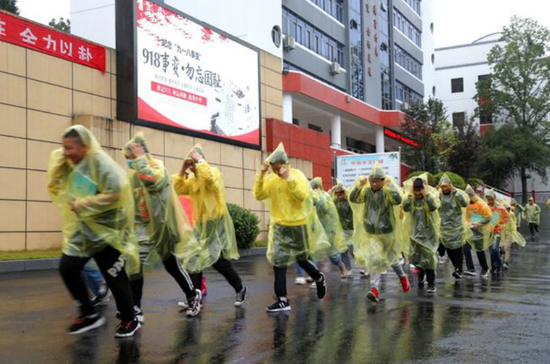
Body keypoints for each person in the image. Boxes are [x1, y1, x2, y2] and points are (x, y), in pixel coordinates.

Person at [47, 125, 140, 338]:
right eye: (64, 147)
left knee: (115, 275)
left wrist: (85, 203)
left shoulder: (100, 163)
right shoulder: (72, 162)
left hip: (108, 230)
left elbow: (117, 193)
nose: (66, 152)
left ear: (83, 146)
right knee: (67, 267)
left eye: (70, 147)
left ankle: (130, 319)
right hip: (86, 229)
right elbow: (59, 185)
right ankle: (88, 312)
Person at [123, 134, 202, 319]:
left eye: (130, 156)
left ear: (141, 152)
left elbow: (151, 181)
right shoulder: (132, 173)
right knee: (134, 263)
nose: (128, 161)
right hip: (140, 227)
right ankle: (135, 307)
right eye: (127, 158)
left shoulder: (156, 166)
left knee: (171, 264)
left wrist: (140, 159)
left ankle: (192, 295)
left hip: (161, 226)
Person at [253, 143, 330, 312]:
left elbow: (302, 196)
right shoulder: (271, 179)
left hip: (298, 226)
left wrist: (289, 178)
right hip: (280, 226)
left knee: (301, 259)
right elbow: (259, 194)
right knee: (278, 263)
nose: (275, 171)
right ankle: (282, 300)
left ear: (284, 165)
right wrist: (262, 174)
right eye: (272, 168)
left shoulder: (297, 175)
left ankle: (318, 278)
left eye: (277, 167)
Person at [172, 145, 247, 308]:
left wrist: (200, 161)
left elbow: (210, 181)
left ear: (201, 161)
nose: (193, 166)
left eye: (194, 162)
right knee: (194, 257)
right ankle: (195, 297)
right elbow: (178, 188)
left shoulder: (214, 173)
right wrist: (182, 170)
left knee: (217, 261)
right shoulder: (192, 180)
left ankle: (240, 287)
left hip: (215, 222)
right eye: (191, 163)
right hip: (201, 224)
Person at [348, 162, 410, 302]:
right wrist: (359, 185)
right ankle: (374, 289)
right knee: (375, 260)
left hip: (387, 230)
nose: (374, 184)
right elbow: (352, 198)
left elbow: (398, 200)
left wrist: (391, 186)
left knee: (392, 258)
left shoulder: (387, 191)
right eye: (372, 181)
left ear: (383, 181)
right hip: (372, 232)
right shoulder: (366, 191)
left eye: (377, 181)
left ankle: (402, 277)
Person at [402, 176, 440, 294]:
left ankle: (431, 283)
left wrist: (427, 194)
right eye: (416, 190)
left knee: (429, 260)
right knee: (416, 257)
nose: (418, 193)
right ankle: (421, 277)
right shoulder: (412, 199)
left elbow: (433, 207)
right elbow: (405, 208)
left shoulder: (429, 197)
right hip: (415, 234)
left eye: (420, 190)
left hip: (429, 234)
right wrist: (409, 195)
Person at [310, 177, 348, 279]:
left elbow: (325, 209)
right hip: (316, 230)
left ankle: (342, 267)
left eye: (313, 188)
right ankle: (314, 275)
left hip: (328, 230)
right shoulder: (311, 197)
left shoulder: (325, 196)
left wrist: (318, 198)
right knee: (314, 253)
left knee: (333, 256)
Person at [437, 174, 469, 280]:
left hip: (456, 226)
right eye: (443, 186)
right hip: (444, 227)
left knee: (457, 248)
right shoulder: (439, 195)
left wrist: (456, 192)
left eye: (447, 186)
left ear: (451, 185)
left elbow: (464, 204)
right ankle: (457, 267)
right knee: (449, 248)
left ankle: (459, 269)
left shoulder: (456, 193)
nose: (445, 188)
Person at [463, 185, 492, 278]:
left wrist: (479, 224)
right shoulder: (466, 204)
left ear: (472, 195)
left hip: (478, 231)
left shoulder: (481, 204)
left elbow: (488, 217)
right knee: (466, 248)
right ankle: (471, 268)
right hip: (468, 230)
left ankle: (485, 268)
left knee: (479, 250)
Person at [331, 183, 355, 276]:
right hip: (341, 229)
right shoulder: (335, 201)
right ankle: (348, 269)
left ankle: (366, 268)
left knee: (353, 249)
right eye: (337, 193)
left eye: (341, 192)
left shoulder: (349, 200)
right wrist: (332, 190)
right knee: (343, 250)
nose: (339, 194)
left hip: (351, 228)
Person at [485, 190, 510, 274]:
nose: (490, 201)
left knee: (495, 249)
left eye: (491, 199)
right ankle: (493, 266)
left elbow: (507, 218)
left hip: (497, 232)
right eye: (488, 199)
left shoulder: (500, 207)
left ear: (495, 198)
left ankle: (499, 266)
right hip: (488, 232)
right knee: (491, 250)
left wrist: (499, 223)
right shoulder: (485, 207)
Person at [501, 201, 526, 270]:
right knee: (502, 248)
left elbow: (514, 222)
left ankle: (506, 262)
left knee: (507, 248)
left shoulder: (511, 214)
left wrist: (513, 232)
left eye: (507, 209)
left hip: (509, 233)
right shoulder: (500, 214)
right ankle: (503, 258)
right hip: (502, 233)